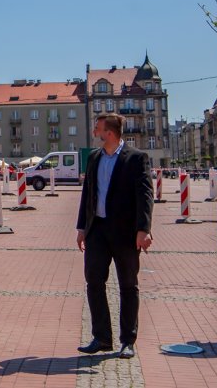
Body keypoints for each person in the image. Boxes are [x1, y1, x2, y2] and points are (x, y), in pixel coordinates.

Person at [76, 113, 154, 359]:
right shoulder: (94, 157)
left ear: (109, 132)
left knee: (128, 285)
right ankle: (101, 338)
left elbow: (145, 195)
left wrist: (144, 229)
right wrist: (81, 227)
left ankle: (127, 340)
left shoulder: (136, 158)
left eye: (97, 128)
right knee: (94, 281)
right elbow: (88, 193)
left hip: (125, 233)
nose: (94, 132)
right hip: (97, 229)